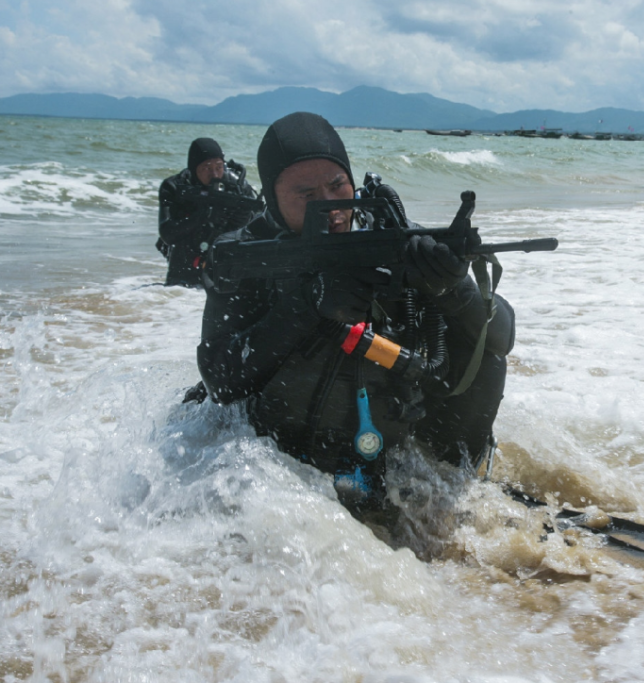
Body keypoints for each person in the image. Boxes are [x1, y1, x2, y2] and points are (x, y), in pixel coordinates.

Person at [196, 112, 515, 511]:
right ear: (272, 198)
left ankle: (456, 488)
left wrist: (454, 288)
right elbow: (220, 381)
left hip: (385, 445)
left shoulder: (390, 236)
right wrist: (307, 305)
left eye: (336, 185)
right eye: (306, 195)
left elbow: (501, 340)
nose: (330, 207)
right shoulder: (247, 257)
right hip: (273, 459)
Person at [157, 138, 260, 287]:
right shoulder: (175, 186)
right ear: (194, 168)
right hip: (184, 259)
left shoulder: (237, 186)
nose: (215, 174)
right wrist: (203, 216)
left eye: (219, 167)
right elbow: (167, 234)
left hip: (223, 260)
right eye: (207, 168)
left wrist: (241, 219)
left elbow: (255, 228)